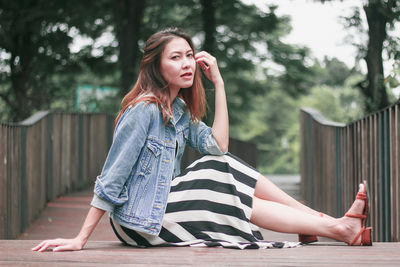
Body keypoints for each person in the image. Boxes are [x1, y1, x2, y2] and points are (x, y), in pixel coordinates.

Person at [32, 28, 372, 252]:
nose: (185, 63)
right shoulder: (143, 111)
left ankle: (326, 224)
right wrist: (80, 239)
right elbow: (112, 177)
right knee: (213, 178)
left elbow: (219, 146)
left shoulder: (177, 110)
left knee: (217, 164)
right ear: (155, 65)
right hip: (138, 222)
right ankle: (337, 227)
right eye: (174, 57)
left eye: (188, 56)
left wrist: (219, 83)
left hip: (162, 207)